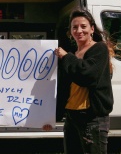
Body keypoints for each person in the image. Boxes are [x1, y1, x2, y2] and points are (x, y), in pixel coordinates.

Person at [44, 9, 114, 154]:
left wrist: (66, 57)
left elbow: (86, 75)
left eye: (83, 26)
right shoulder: (72, 54)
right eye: (74, 27)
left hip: (92, 119)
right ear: (70, 31)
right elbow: (63, 89)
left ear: (92, 29)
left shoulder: (99, 49)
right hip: (72, 117)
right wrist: (51, 118)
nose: (79, 30)